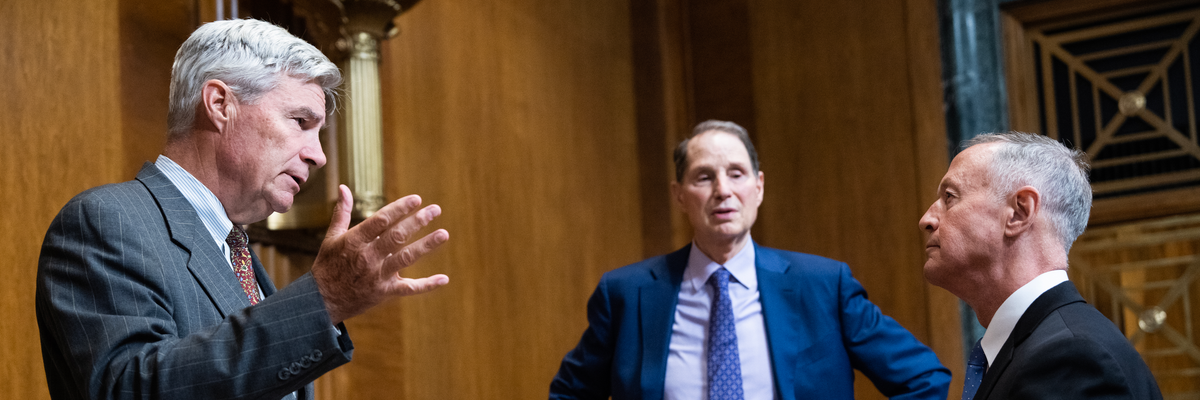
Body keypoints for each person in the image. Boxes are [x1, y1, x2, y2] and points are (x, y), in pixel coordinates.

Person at [36, 19, 450, 400]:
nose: (319, 155)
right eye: (300, 121)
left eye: (319, 132)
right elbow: (128, 389)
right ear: (220, 104)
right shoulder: (107, 221)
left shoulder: (238, 253)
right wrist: (323, 299)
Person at [550, 120, 950, 400]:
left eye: (737, 174)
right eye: (704, 177)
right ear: (679, 195)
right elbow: (569, 394)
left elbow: (924, 378)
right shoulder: (627, 294)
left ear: (758, 188)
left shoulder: (823, 286)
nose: (723, 190)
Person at [918, 132, 1162, 399]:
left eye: (950, 197)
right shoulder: (1047, 343)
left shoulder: (1071, 357)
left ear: (1019, 212)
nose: (926, 219)